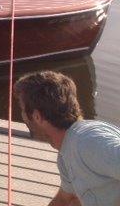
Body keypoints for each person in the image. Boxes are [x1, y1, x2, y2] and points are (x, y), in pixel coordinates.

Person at [14, 71, 120, 206]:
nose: (22, 116)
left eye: (23, 110)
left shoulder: (88, 141)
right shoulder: (67, 152)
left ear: (37, 116)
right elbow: (65, 199)